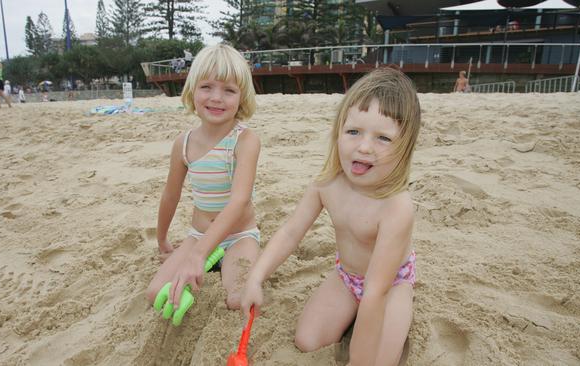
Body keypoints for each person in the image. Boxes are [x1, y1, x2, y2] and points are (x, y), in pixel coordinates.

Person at [240, 67, 421, 365]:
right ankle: (351, 316)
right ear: (338, 131)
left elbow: (375, 292)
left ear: (405, 146)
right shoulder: (328, 183)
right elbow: (290, 232)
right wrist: (256, 277)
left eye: (383, 138)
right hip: (347, 276)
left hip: (389, 287)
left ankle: (397, 313)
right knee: (307, 341)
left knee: (377, 361)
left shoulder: (396, 206)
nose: (364, 147)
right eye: (353, 132)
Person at [145, 44, 261, 311]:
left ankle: (223, 264)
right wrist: (163, 239)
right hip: (199, 235)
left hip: (239, 236)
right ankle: (207, 261)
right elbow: (170, 194)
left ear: (242, 98)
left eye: (229, 90)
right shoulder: (183, 143)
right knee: (157, 295)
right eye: (207, 87)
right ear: (192, 90)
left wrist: (197, 256)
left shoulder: (245, 141)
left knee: (237, 299)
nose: (217, 97)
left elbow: (239, 202)